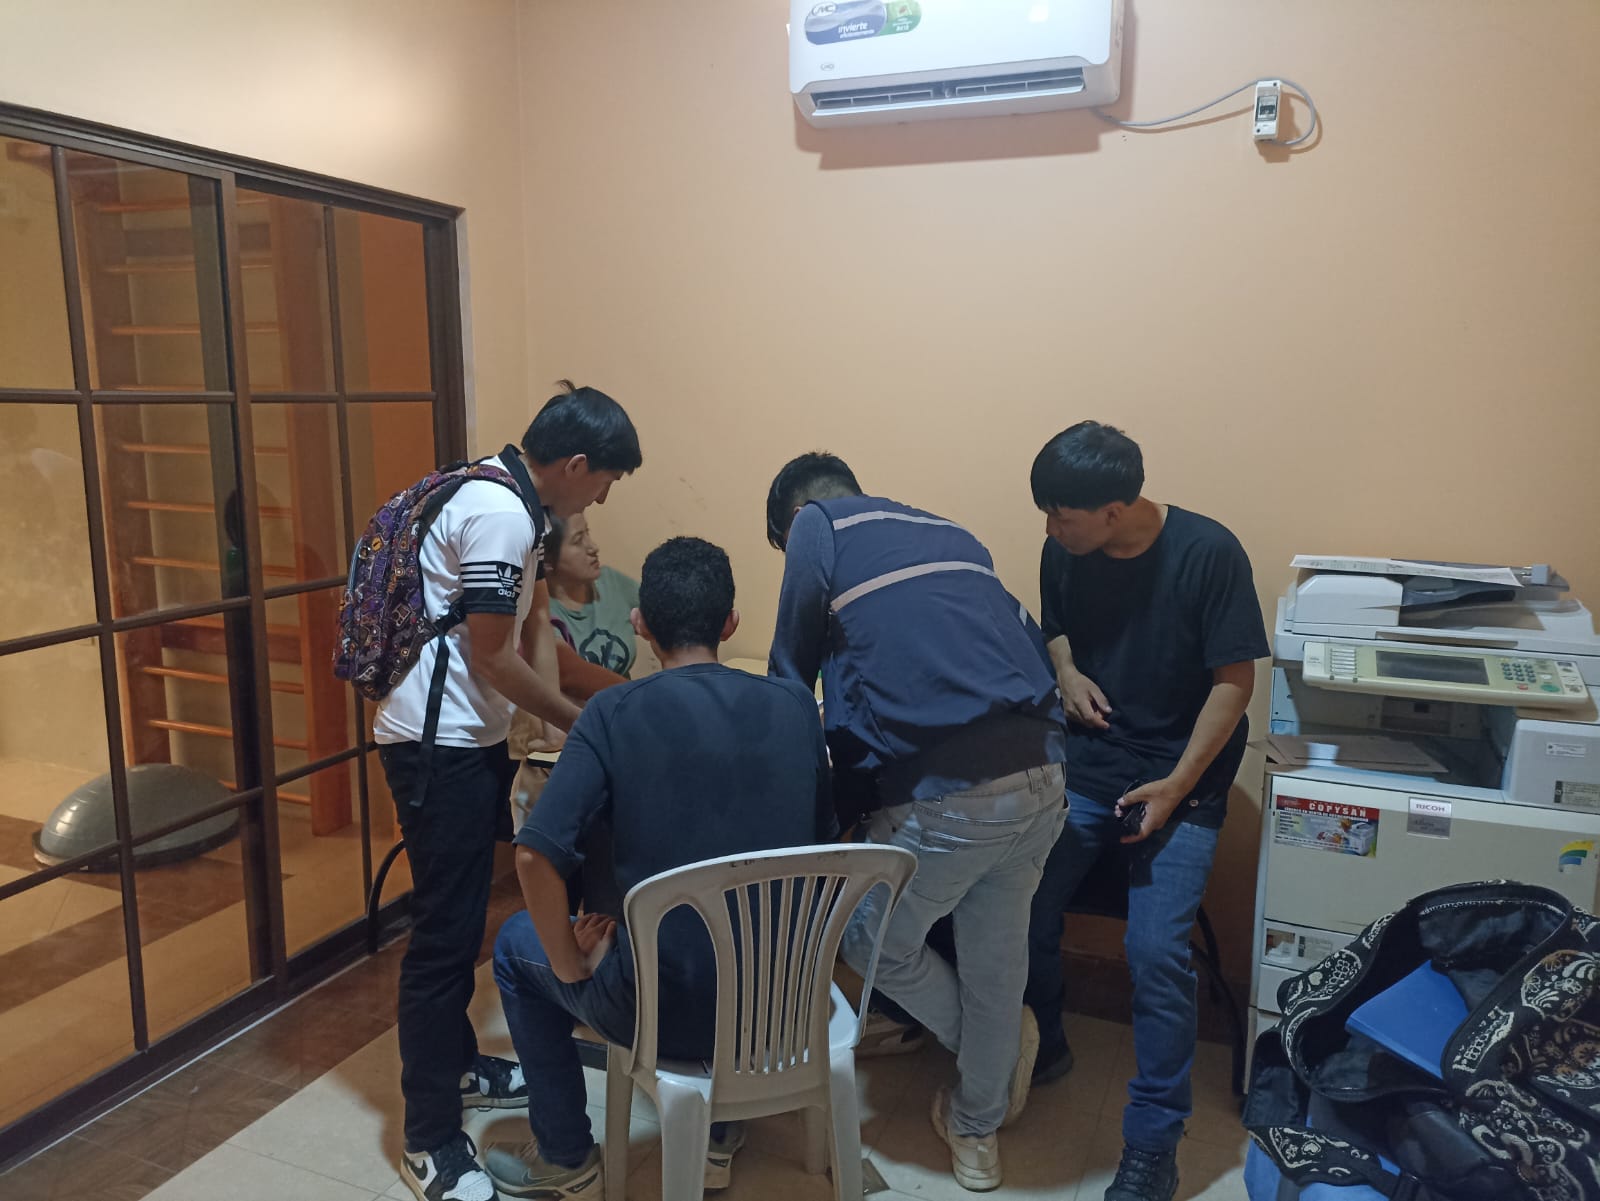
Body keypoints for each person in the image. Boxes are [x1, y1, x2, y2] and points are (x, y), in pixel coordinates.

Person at [485, 537, 837, 1198]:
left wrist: (570, 962)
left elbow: (533, 854)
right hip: (782, 1007)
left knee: (512, 947)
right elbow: (820, 844)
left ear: (640, 623)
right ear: (730, 622)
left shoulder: (612, 713)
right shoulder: (795, 705)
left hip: (664, 1012)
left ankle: (566, 1157)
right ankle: (720, 1128)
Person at [766, 452, 1069, 1193]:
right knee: (996, 959)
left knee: (867, 939)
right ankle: (976, 1125)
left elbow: (787, 677)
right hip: (1046, 776)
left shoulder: (816, 527)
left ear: (794, 521)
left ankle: (990, 1058)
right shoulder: (950, 533)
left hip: (955, 799)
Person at [375, 381, 641, 1201]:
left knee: (467, 914)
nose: (602, 500)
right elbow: (491, 657)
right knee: (444, 938)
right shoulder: (500, 513)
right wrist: (582, 724)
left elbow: (526, 639)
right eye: (606, 482)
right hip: (439, 748)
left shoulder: (507, 498)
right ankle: (429, 1139)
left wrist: (570, 705)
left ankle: (459, 1063)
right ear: (576, 463)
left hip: (467, 737)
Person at [1023, 422, 1268, 1201]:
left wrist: (1174, 786)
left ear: (1116, 510)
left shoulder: (1208, 553)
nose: (1050, 530)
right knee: (1019, 900)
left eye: (1062, 516)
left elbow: (1235, 683)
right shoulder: (1066, 551)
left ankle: (1154, 1143)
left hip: (1182, 779)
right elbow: (1055, 628)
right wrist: (1065, 671)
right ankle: (1044, 1041)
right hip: (1091, 767)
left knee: (1156, 951)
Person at [545, 512, 645, 678]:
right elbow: (571, 676)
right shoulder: (540, 610)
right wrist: (638, 691)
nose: (593, 547)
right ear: (547, 560)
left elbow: (668, 614)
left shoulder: (611, 582)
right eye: (578, 540)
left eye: (587, 533)